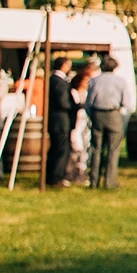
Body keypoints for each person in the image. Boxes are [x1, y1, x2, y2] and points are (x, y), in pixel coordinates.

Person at [48, 58, 88, 187]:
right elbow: (63, 103)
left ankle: (51, 175)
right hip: (61, 120)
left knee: (55, 148)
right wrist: (78, 106)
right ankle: (57, 177)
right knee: (61, 149)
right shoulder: (59, 82)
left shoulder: (52, 80)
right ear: (63, 66)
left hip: (55, 120)